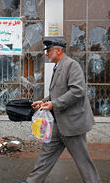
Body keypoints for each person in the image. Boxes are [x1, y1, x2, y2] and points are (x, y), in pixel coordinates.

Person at [17, 37, 101, 183]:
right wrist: (43, 101)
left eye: (49, 50)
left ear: (58, 50)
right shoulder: (58, 66)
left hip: (72, 124)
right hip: (58, 123)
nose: (46, 54)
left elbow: (77, 91)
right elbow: (58, 92)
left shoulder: (71, 65)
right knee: (46, 155)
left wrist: (53, 104)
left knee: (83, 161)